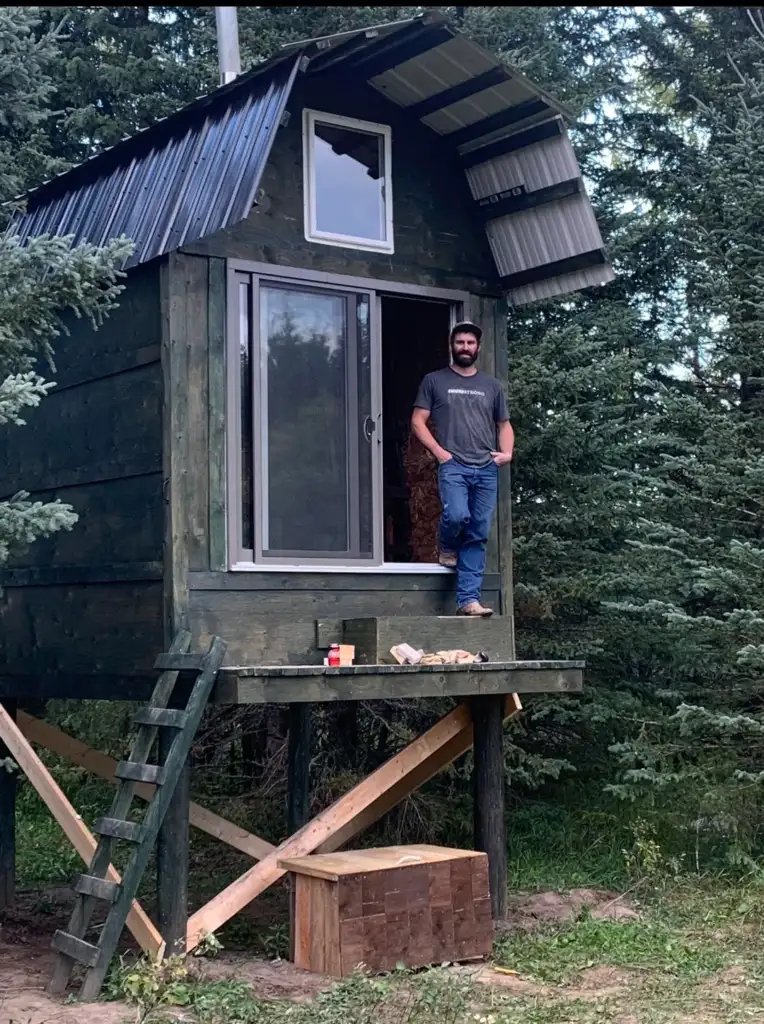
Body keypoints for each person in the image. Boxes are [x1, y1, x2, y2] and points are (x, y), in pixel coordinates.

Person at [411, 320, 514, 617]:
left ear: (478, 348)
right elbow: (417, 421)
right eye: (460, 343)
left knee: (478, 533)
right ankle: (446, 545)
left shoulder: (491, 386)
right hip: (453, 465)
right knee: (457, 515)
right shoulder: (435, 380)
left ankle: (468, 600)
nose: (465, 347)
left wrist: (507, 453)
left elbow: (504, 424)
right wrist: (441, 453)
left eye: (470, 343)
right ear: (452, 346)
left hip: (486, 468)